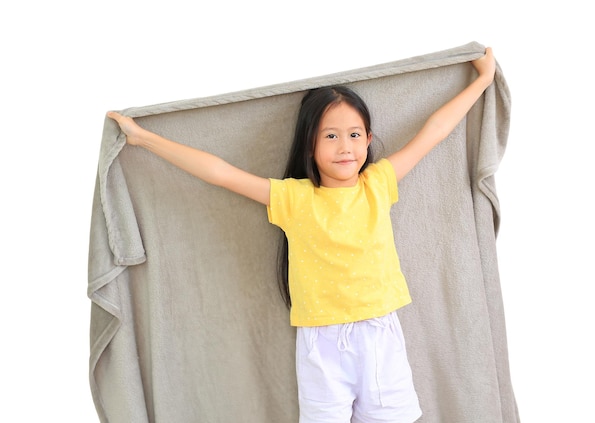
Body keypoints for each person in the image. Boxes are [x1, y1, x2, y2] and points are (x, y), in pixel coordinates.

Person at [107, 47, 496, 423]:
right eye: (331, 136)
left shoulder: (378, 184)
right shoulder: (293, 198)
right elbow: (220, 173)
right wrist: (144, 139)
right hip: (321, 343)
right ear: (309, 144)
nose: (345, 147)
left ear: (369, 139)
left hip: (380, 335)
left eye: (355, 135)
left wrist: (483, 80)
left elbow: (435, 131)